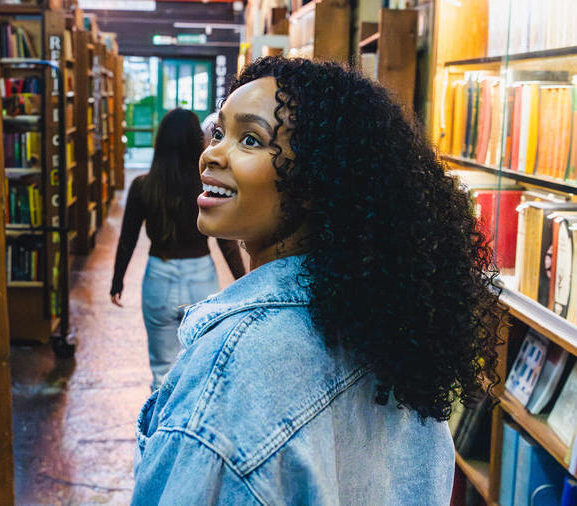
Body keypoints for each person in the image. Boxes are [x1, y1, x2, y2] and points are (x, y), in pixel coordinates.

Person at [130, 57, 502, 505]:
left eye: (250, 139)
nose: (212, 153)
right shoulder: (390, 331)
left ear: (313, 181)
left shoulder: (232, 369)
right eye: (218, 132)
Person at [110, 108, 245, 391]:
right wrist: (242, 281)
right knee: (198, 367)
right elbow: (226, 242)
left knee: (162, 369)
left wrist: (117, 280)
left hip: (158, 276)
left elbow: (127, 239)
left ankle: (160, 430)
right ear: (196, 142)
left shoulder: (142, 187)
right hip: (200, 278)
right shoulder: (206, 187)